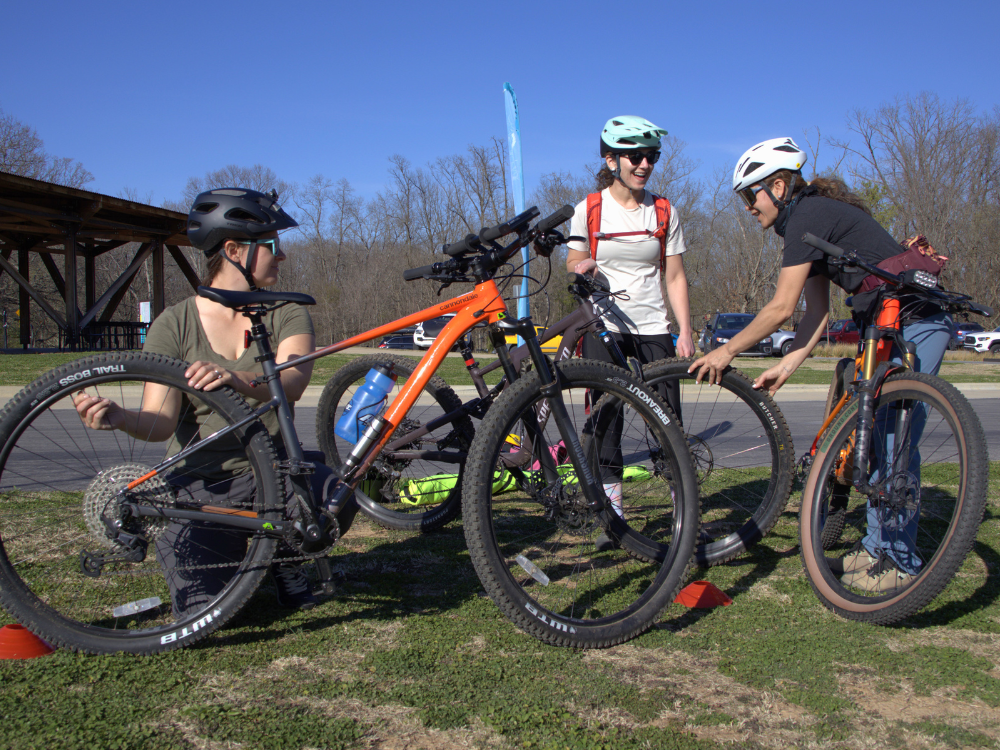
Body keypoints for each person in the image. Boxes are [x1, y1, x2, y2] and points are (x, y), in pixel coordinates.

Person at [72, 187, 354, 613]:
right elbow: (159, 423)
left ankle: (286, 557)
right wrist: (117, 416)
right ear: (234, 250)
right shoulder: (174, 323)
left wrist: (234, 377)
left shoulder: (285, 311)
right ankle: (246, 555)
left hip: (272, 478)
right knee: (206, 613)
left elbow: (292, 382)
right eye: (272, 246)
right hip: (199, 487)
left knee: (337, 494)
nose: (282, 256)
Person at [689, 137, 952, 591]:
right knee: (874, 435)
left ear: (777, 185)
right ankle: (875, 548)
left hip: (917, 323)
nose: (748, 207)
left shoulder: (807, 216)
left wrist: (725, 350)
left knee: (892, 439)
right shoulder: (805, 224)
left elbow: (780, 309)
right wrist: (786, 366)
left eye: (749, 195)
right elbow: (816, 314)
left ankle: (900, 563)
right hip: (885, 327)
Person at [565, 116, 695, 546]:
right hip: (603, 327)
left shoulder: (664, 211)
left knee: (667, 421)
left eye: (651, 157)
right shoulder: (590, 208)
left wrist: (685, 330)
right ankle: (612, 518)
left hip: (653, 325)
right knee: (605, 422)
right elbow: (573, 262)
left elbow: (674, 277)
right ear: (611, 159)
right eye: (635, 157)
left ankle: (684, 511)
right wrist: (582, 266)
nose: (644, 165)